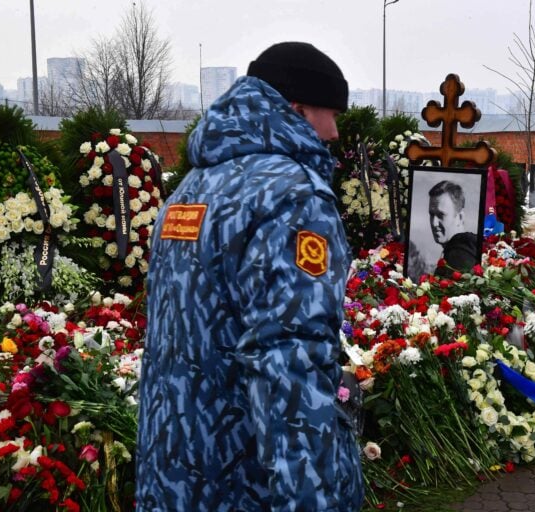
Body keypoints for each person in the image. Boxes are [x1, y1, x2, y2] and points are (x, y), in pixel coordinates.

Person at [136, 42, 364, 512]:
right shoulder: (292, 196)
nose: (336, 132)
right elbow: (290, 361)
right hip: (244, 480)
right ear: (297, 110)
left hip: (175, 470)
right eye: (331, 114)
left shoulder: (192, 188)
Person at [428, 180, 479, 276]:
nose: (434, 223)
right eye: (431, 214)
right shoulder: (462, 249)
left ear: (460, 217)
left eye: (441, 215)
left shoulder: (459, 255)